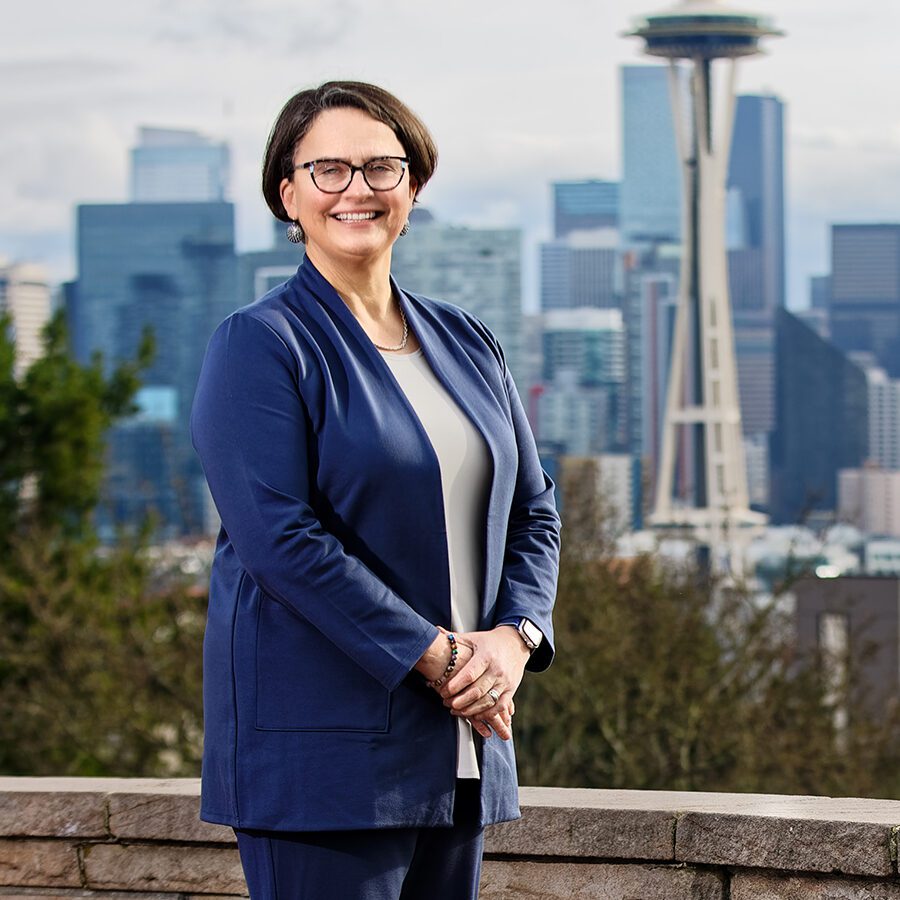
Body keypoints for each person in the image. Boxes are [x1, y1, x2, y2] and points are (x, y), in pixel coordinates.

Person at [190, 80, 560, 900]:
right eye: (328, 169)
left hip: (457, 750)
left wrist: (514, 639)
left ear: (414, 187)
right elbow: (280, 542)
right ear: (288, 194)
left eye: (381, 167)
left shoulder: (466, 340)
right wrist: (442, 655)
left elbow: (534, 509)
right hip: (323, 763)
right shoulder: (261, 344)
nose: (357, 188)